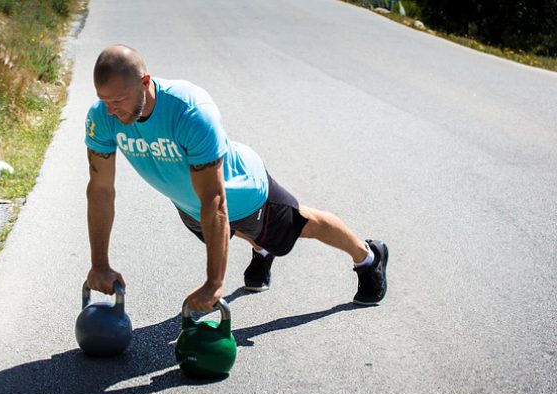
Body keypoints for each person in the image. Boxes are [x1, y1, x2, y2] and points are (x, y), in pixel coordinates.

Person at [84, 45, 389, 311]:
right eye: (104, 100)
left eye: (119, 100)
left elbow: (215, 201)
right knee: (241, 231)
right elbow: (100, 191)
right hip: (191, 205)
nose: (110, 110)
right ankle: (261, 247)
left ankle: (368, 257)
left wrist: (214, 283)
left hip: (243, 192)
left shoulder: (189, 111)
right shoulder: (103, 116)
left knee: (305, 225)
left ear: (145, 82)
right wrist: (99, 263)